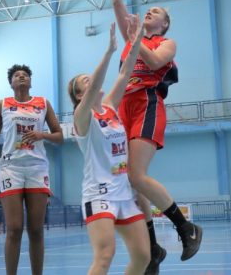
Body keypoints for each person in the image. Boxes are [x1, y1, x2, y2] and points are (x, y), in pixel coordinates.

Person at [112, 0, 201, 273]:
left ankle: (185, 228)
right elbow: (118, 4)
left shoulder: (166, 43)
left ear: (164, 24)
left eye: (156, 12)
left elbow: (153, 62)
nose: (149, 12)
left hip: (148, 104)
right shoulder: (132, 38)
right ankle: (152, 249)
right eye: (148, 10)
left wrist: (136, 39)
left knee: (136, 175)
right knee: (129, 182)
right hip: (123, 106)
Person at [69, 20, 150, 275]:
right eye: (86, 80)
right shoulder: (82, 118)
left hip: (123, 194)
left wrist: (135, 41)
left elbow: (125, 73)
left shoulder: (110, 108)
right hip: (99, 195)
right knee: (105, 256)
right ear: (80, 95)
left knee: (142, 257)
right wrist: (108, 51)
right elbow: (96, 86)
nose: (91, 80)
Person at [0, 64, 63, 275]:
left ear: (30, 82)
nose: (21, 77)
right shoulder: (2, 104)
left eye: (25, 75)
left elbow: (60, 136)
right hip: (10, 168)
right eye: (17, 75)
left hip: (37, 168)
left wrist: (41, 135)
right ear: (11, 83)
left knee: (36, 230)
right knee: (14, 228)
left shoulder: (43, 103)